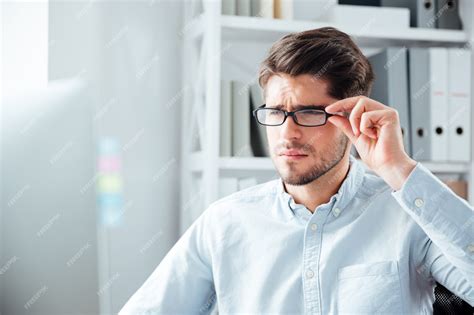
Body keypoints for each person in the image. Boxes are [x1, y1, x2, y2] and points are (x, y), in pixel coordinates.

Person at [119, 27, 474, 314]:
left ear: (352, 116)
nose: (287, 133)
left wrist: (400, 169)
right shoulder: (225, 224)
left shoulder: (406, 217)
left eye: (308, 113)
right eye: (275, 113)